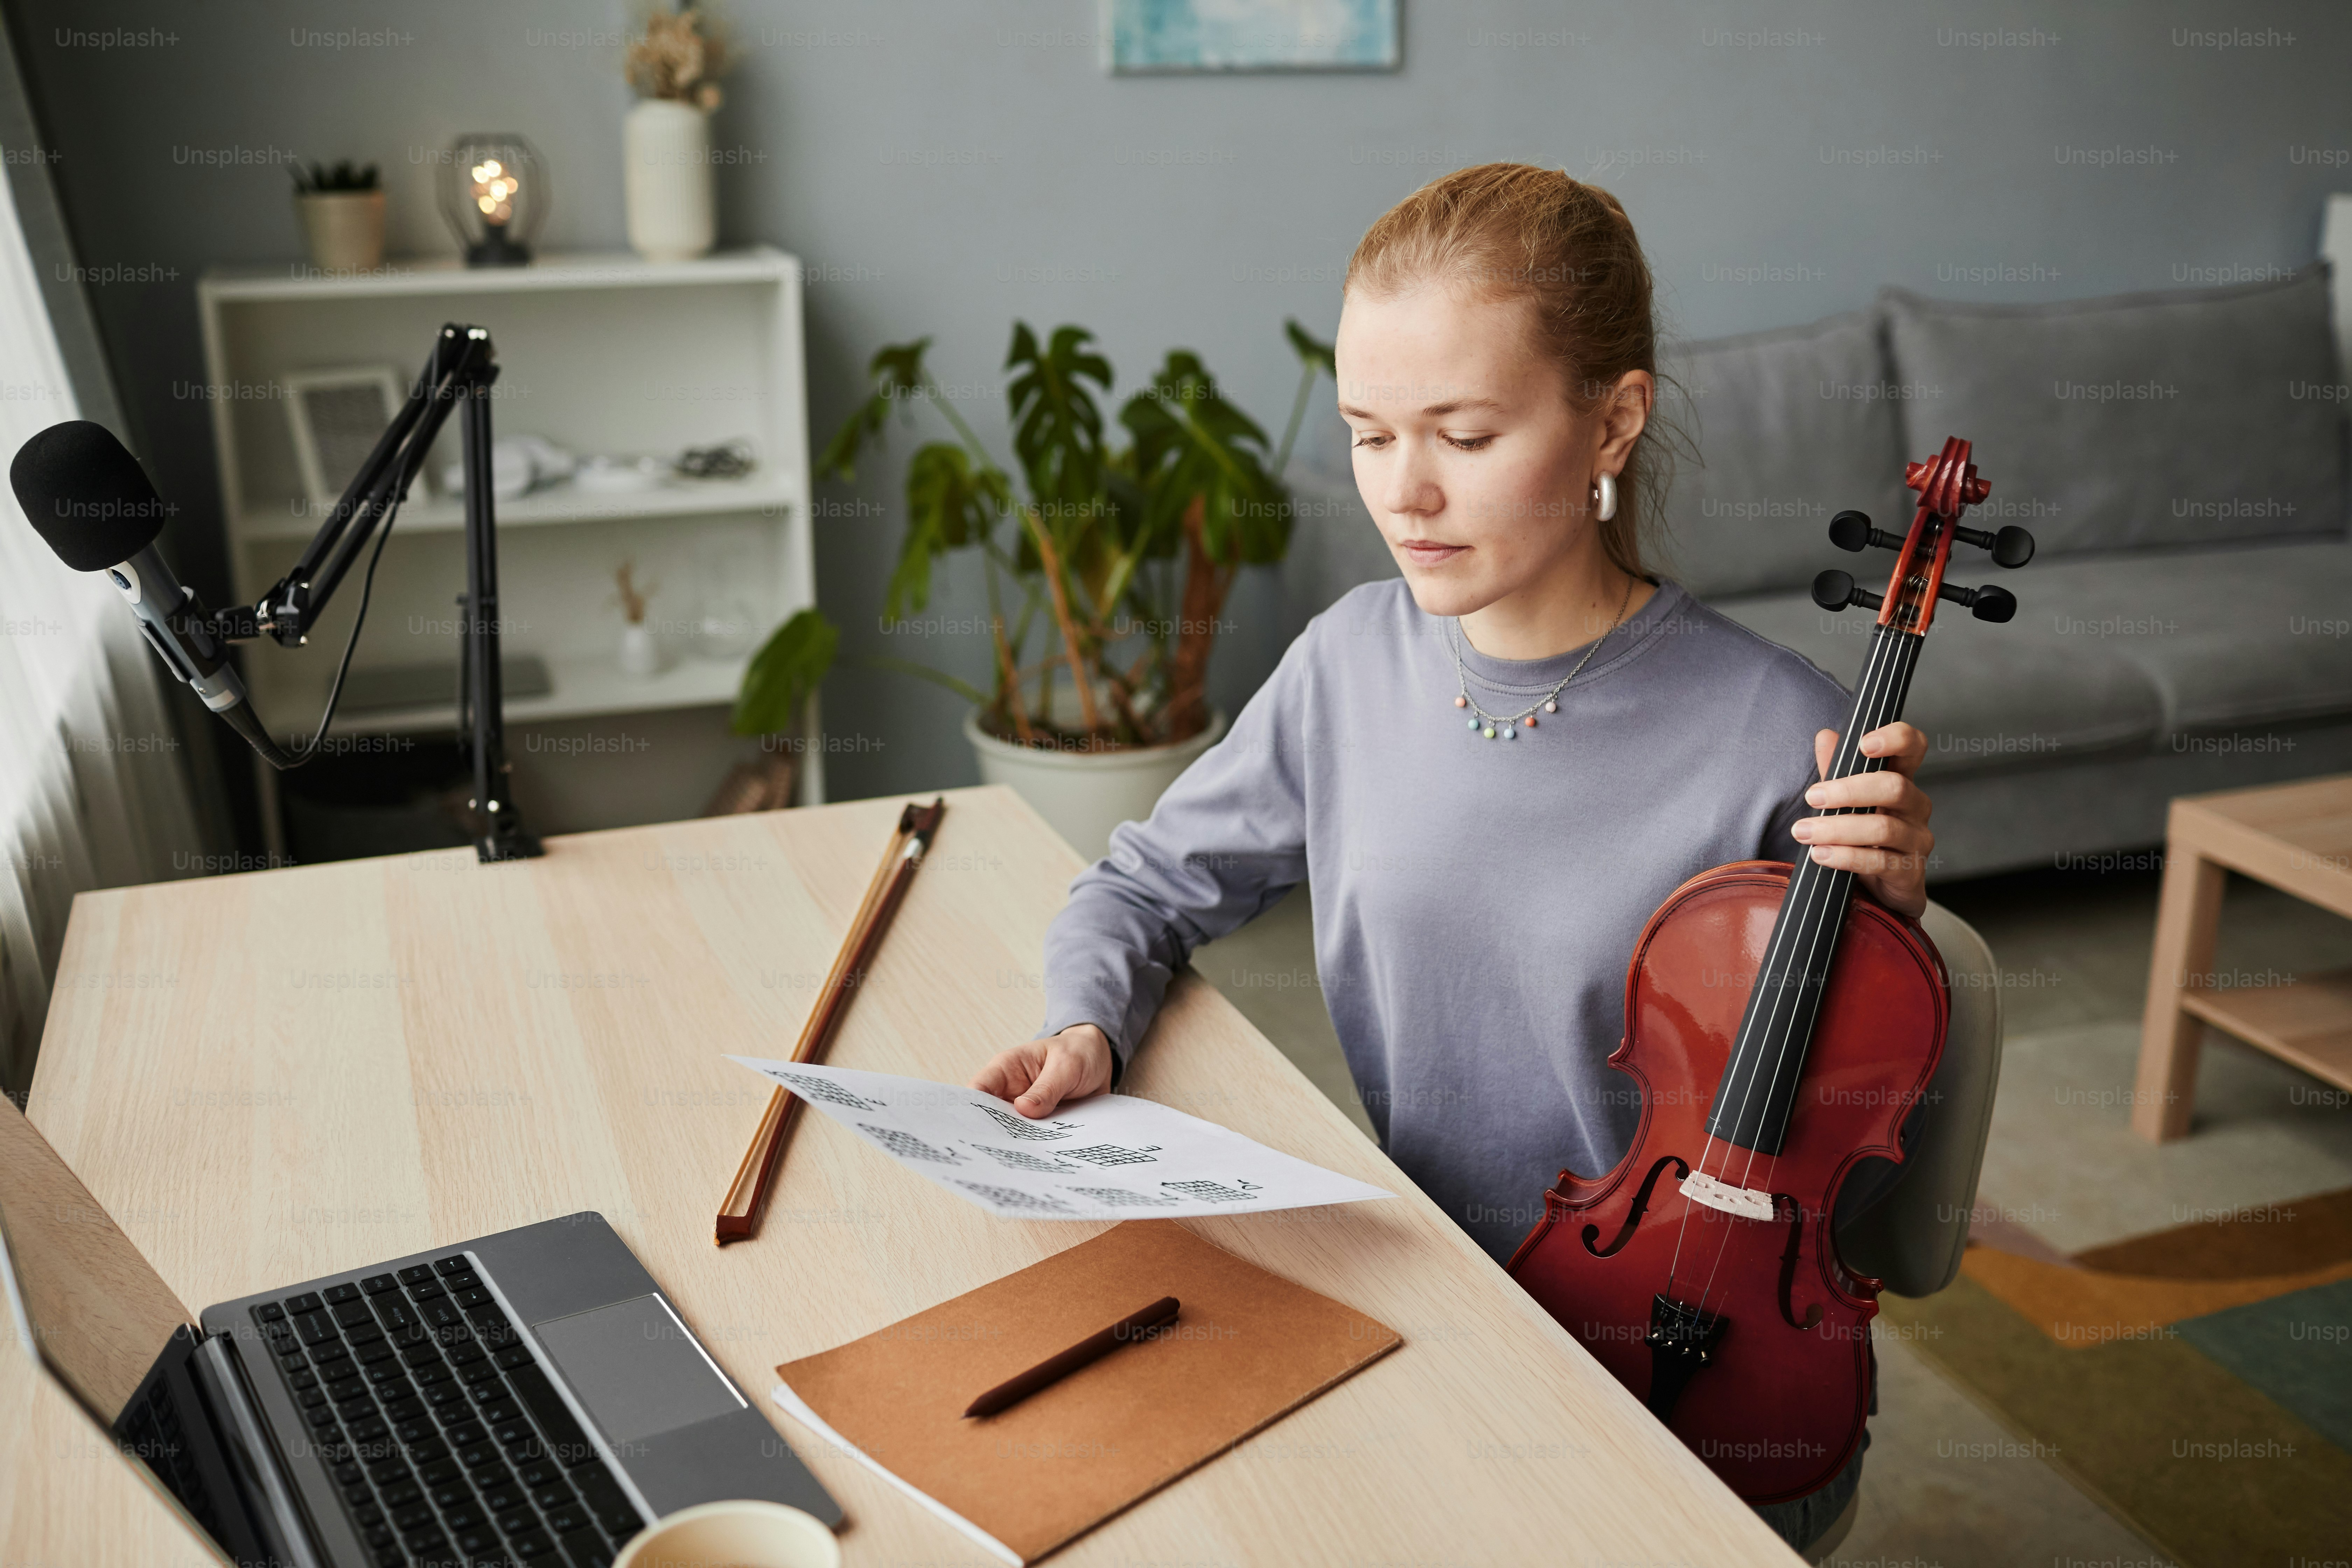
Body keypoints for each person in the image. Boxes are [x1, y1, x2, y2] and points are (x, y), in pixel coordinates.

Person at [968, 162, 1934, 1551]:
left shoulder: (1788, 732)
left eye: (1465, 435)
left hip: (1694, 1367)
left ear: (1614, 422)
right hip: (1424, 1302)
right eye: (1369, 434)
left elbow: (1859, 1176)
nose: (1404, 492)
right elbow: (1143, 883)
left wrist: (1889, 924)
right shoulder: (1348, 662)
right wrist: (1084, 1022)